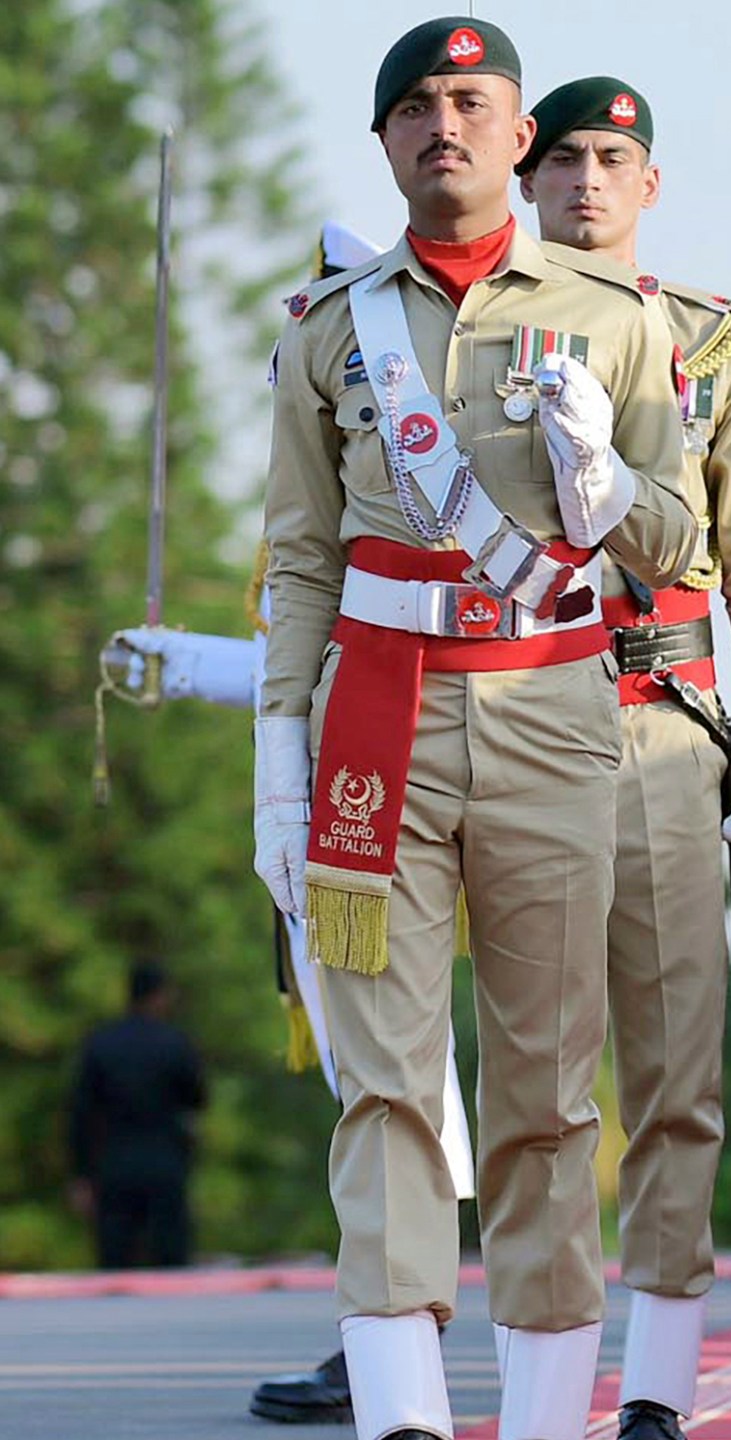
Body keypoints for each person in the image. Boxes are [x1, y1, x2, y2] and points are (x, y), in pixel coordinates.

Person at [256, 18, 700, 1440]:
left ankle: (549, 1406)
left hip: (552, 713)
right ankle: (400, 1413)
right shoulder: (331, 331)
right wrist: (280, 762)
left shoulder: (621, 319)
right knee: (384, 1082)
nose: (444, 125)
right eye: (417, 106)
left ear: (518, 136)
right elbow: (302, 563)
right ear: (382, 141)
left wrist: (605, 469)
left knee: (546, 1083)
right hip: (373, 717)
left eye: (472, 101)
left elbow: (677, 543)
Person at [108, 219, 486, 1429]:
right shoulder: (311, 493)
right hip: (321, 810)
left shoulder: (411, 487)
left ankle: (398, 1339)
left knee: (398, 1082)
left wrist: (209, 668)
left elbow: (362, 650)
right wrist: (192, 666)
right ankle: (384, 1336)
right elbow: (300, 653)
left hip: (390, 806)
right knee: (368, 1081)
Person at [514, 77, 731, 1440]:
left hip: (654, 724)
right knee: (539, 1072)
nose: (587, 180)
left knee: (675, 1064)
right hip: (504, 720)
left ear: (649, 187)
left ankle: (656, 1378)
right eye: (565, 156)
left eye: (614, 159)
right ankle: (540, 1362)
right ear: (523, 176)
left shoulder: (711, 341)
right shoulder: (459, 335)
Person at [67, 960, 206, 1270]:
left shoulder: (100, 1043)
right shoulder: (175, 1043)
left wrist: (81, 1173)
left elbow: (81, 1113)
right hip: (164, 1160)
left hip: (112, 1161)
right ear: (160, 996)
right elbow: (196, 1100)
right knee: (170, 1258)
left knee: (115, 1257)